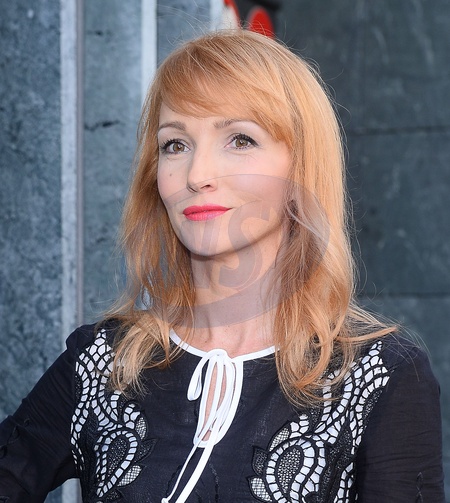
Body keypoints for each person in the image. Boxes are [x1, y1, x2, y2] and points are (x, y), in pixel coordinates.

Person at [0, 29, 445, 503]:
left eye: (240, 139)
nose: (197, 175)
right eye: (175, 145)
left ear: (300, 170)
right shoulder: (102, 361)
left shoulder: (382, 375)